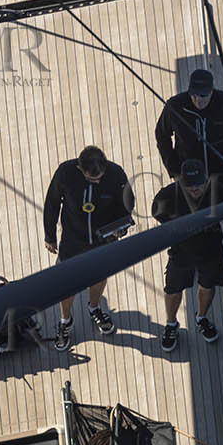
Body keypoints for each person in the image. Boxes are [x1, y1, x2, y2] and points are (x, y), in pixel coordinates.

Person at [43, 146, 134, 351]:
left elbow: (127, 203)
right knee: (66, 284)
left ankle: (94, 308)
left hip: (104, 242)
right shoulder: (65, 173)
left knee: (100, 278)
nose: (98, 182)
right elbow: (52, 202)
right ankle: (66, 321)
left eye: (100, 177)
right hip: (72, 241)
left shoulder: (116, 173)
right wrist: (50, 236)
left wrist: (120, 229)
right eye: (92, 179)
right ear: (79, 168)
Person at [151, 160, 223, 351]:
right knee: (173, 290)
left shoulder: (219, 191)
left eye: (198, 183)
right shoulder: (168, 194)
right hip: (180, 251)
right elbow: (155, 211)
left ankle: (201, 317)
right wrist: (173, 227)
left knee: (207, 286)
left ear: (207, 179)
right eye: (189, 184)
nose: (194, 188)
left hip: (211, 251)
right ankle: (171, 323)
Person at [154, 67, 223, 180]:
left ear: (212, 91)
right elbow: (162, 135)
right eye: (194, 94)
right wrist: (174, 170)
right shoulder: (175, 106)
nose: (198, 99)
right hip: (189, 177)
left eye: (203, 95)